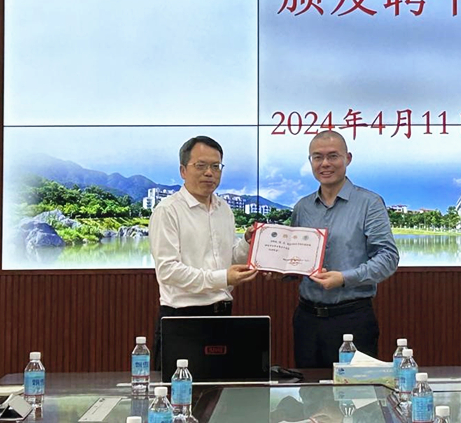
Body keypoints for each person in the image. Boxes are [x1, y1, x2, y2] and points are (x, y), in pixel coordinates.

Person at [283, 130, 399, 368]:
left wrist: (344, 278)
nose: (325, 163)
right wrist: (278, 269)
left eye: (333, 156)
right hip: (307, 320)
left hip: (352, 319)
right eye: (317, 157)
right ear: (310, 162)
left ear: (348, 158)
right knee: (309, 389)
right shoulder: (302, 207)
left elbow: (388, 257)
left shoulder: (369, 203)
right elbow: (296, 259)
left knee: (356, 391)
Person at [149, 136, 258, 370]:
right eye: (201, 166)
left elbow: (228, 259)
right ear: (183, 170)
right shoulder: (167, 210)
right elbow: (168, 271)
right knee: (178, 389)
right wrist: (223, 278)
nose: (209, 173)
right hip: (182, 320)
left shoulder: (224, 209)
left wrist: (248, 243)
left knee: (218, 388)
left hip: (222, 315)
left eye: (216, 166)